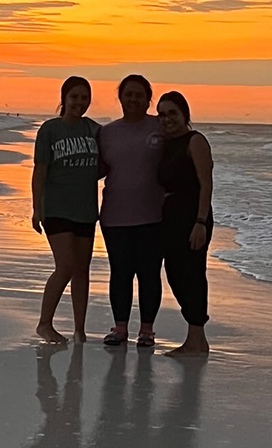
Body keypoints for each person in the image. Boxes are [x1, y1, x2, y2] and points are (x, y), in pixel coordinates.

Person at [31, 76, 101, 344]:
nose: (79, 103)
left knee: (83, 269)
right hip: (57, 207)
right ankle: (44, 324)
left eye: (84, 98)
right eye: (74, 97)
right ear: (64, 99)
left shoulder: (94, 130)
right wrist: (37, 208)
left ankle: (80, 330)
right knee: (66, 266)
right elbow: (40, 171)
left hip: (85, 208)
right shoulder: (50, 130)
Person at [99, 75, 165, 347]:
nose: (134, 99)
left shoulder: (161, 127)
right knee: (120, 273)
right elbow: (95, 169)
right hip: (115, 215)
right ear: (120, 97)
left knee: (149, 274)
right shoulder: (107, 133)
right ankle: (120, 328)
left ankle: (147, 331)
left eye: (139, 95)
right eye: (129, 94)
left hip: (154, 215)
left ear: (149, 99)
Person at [156, 91, 213, 357]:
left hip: (193, 216)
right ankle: (195, 338)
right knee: (175, 273)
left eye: (172, 113)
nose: (167, 119)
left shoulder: (195, 141)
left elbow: (206, 184)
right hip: (171, 217)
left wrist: (200, 221)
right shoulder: (167, 145)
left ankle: (197, 340)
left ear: (184, 115)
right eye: (162, 114)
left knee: (192, 274)